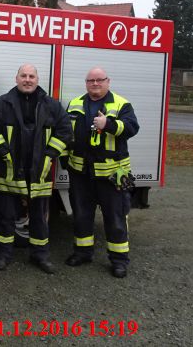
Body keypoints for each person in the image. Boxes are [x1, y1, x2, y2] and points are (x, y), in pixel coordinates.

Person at [0, 64, 71, 274]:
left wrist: (50, 154)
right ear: (16, 78)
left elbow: (65, 130)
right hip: (11, 171)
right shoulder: (2, 104)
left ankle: (40, 256)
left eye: (31, 76)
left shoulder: (51, 105)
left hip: (39, 172)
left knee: (39, 218)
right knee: (6, 217)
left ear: (37, 79)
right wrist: (5, 153)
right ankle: (3, 255)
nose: (27, 79)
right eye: (23, 75)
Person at [64, 67, 139, 278]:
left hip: (114, 174)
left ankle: (119, 261)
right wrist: (64, 159)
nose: (95, 84)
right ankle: (82, 253)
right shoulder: (76, 103)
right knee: (81, 215)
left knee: (115, 217)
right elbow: (66, 132)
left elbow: (133, 128)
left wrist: (109, 124)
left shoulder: (122, 104)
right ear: (86, 83)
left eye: (99, 80)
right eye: (90, 81)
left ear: (108, 81)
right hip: (80, 172)